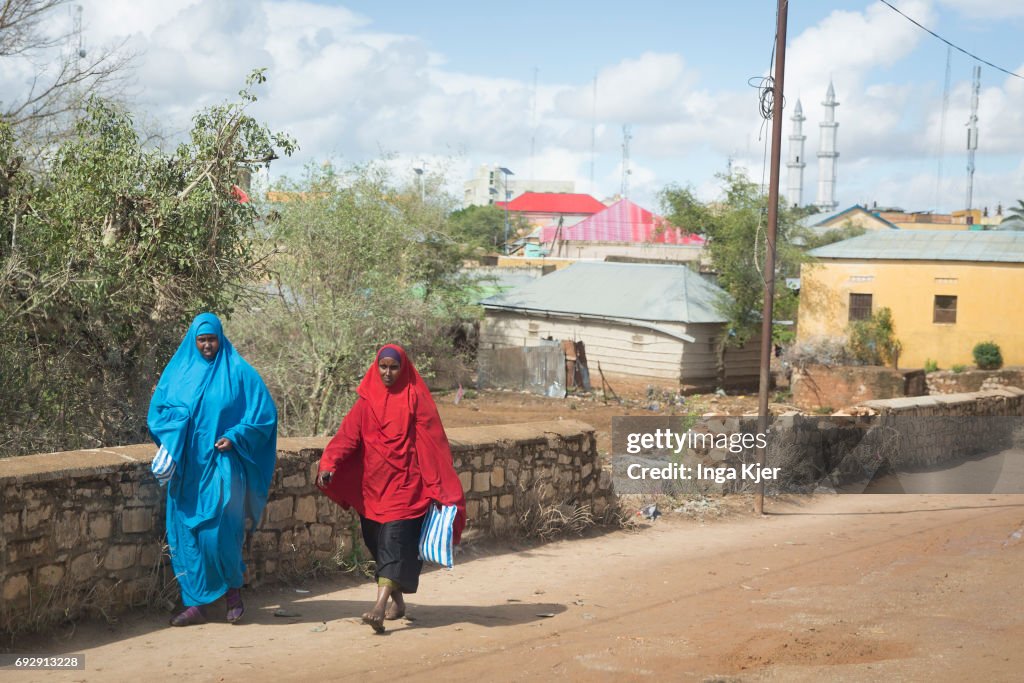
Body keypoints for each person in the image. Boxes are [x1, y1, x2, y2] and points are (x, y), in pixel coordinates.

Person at [316, 344, 466, 633]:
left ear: (403, 368)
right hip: (373, 488)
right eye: (383, 366)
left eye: (393, 367)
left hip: (407, 487)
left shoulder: (415, 398)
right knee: (376, 543)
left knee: (392, 544)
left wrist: (438, 486)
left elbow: (433, 444)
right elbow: (348, 436)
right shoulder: (366, 401)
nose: (387, 373)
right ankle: (398, 602)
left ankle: (379, 608)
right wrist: (329, 462)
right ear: (376, 367)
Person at [147, 313, 278, 627]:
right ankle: (195, 604)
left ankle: (233, 593)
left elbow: (264, 416)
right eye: (202, 340)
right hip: (187, 470)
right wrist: (177, 422)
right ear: (194, 341)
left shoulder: (239, 372)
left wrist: (235, 436)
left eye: (212, 339)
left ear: (221, 338)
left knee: (218, 533)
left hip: (222, 466)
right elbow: (157, 413)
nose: (207, 345)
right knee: (187, 536)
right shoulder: (178, 373)